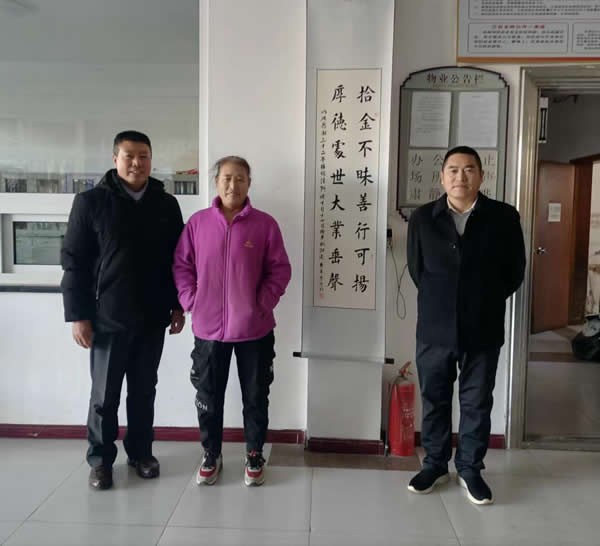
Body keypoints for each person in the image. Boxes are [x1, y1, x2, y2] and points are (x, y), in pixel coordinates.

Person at [60, 130, 185, 490]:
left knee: (144, 391)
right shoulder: (91, 202)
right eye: (129, 156)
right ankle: (100, 461)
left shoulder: (165, 204)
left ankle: (141, 453)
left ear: (151, 160)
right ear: (115, 159)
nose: (136, 163)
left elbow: (178, 260)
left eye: (143, 156)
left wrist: (178, 305)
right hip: (106, 318)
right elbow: (74, 262)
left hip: (152, 316)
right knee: (105, 395)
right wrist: (78, 315)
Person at [406, 146, 525, 505]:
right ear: (442, 177)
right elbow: (418, 270)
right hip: (435, 328)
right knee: (435, 398)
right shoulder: (423, 218)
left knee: (476, 402)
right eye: (453, 170)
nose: (461, 176)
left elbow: (514, 272)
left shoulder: (503, 217)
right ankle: (435, 464)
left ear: (481, 176)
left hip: (482, 327)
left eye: (469, 169)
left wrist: (481, 299)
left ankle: (470, 468)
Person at [173, 156, 291, 487]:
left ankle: (254, 453)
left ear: (249, 184)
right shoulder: (198, 223)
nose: (232, 185)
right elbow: (182, 266)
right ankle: (211, 453)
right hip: (208, 330)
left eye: (240, 178)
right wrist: (191, 301)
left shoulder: (265, 225)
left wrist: (261, 304)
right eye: (226, 178)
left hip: (254, 329)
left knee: (256, 395)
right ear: (216, 182)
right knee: (208, 395)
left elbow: (280, 270)